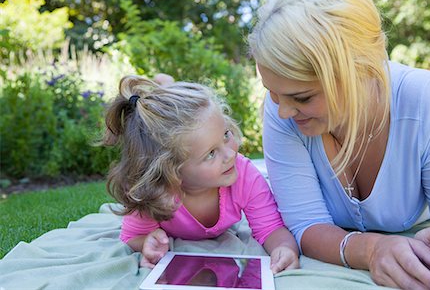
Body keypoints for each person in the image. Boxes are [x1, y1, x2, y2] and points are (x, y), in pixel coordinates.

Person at [247, 0, 430, 289]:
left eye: (302, 97)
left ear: (362, 72)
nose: (284, 111)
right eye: (273, 93)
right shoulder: (282, 112)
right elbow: (305, 225)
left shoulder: (425, 99)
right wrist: (370, 250)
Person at [101, 75, 300, 274]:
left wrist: (284, 248)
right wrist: (147, 242)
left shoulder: (244, 174)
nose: (231, 154)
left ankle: (165, 82)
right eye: (211, 154)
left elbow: (271, 228)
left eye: (226, 134)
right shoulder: (156, 192)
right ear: (172, 170)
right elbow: (132, 236)